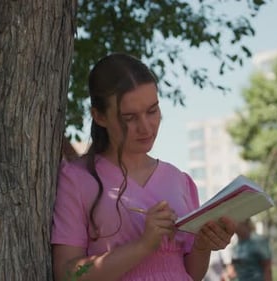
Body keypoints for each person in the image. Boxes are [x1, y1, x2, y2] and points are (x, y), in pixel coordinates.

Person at [51, 53, 236, 281]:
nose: (146, 127)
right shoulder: (77, 179)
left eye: (152, 111)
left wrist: (203, 246)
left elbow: (191, 274)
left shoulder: (179, 180)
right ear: (99, 116)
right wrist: (142, 246)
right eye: (129, 117)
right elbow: (67, 274)